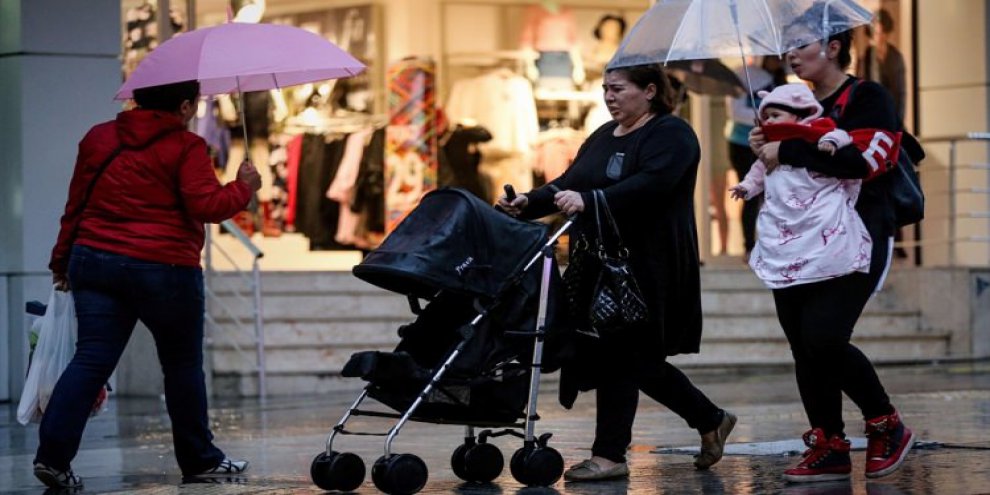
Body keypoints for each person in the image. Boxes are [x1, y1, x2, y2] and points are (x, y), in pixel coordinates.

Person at [498, 64, 736, 481]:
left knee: (627, 356)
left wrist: (590, 200)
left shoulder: (672, 134)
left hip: (650, 264)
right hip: (599, 266)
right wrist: (529, 203)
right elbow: (569, 181)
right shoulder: (604, 135)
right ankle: (707, 419)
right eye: (605, 89)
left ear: (648, 90)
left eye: (618, 89)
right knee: (625, 357)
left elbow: (652, 185)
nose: (609, 96)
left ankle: (613, 454)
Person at [37, 80, 261, 490]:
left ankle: (52, 458)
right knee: (181, 366)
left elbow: (77, 203)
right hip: (166, 269)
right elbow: (207, 206)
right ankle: (199, 459)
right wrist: (244, 188)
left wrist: (61, 259)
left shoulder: (98, 137)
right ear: (184, 105)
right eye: (195, 102)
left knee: (90, 361)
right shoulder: (186, 146)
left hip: (96, 261)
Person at [748, 22, 915, 483]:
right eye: (788, 48)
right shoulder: (787, 104)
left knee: (824, 338)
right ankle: (829, 444)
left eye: (801, 45)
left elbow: (867, 162)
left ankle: (886, 424)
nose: (791, 55)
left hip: (857, 234)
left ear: (834, 47)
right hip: (793, 242)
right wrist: (763, 151)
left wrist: (791, 151)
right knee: (804, 346)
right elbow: (777, 171)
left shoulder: (866, 97)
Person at [731, 82, 894, 287]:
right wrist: (746, 187)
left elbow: (842, 135)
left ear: (799, 116)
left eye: (776, 115)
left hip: (820, 220)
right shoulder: (768, 147)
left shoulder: (818, 130)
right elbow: (758, 171)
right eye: (767, 117)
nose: (770, 121)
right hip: (785, 220)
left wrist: (832, 143)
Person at [725, 57, 786, 259]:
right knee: (749, 194)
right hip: (742, 144)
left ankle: (773, 245)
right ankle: (749, 246)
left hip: (771, 144)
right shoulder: (744, 75)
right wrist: (764, 116)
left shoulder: (780, 81)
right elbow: (734, 111)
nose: (778, 61)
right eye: (774, 58)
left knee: (773, 195)